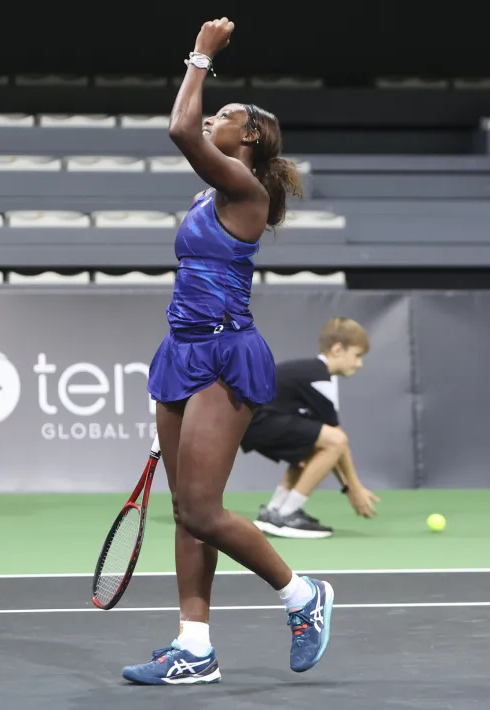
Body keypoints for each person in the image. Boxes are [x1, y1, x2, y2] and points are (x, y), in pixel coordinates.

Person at [121, 18, 332, 686]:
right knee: (187, 510)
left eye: (228, 115)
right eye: (217, 108)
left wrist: (201, 56)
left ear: (250, 138)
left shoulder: (246, 190)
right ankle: (194, 648)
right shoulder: (210, 191)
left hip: (223, 356)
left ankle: (303, 596)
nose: (213, 115)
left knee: (205, 511)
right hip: (181, 352)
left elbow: (180, 129)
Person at [241, 317, 381, 539]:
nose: (359, 364)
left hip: (251, 423)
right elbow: (339, 441)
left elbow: (331, 447)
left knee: (311, 449)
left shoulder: (315, 375)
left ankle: (275, 511)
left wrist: (348, 486)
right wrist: (354, 488)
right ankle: (287, 515)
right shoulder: (319, 378)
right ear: (337, 350)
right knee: (334, 440)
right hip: (257, 421)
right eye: (357, 355)